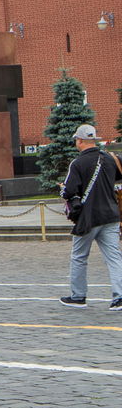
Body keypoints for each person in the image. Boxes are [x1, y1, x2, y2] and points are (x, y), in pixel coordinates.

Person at [59, 124, 122, 309]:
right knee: (114, 257)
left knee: (79, 257)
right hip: (110, 214)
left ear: (80, 141)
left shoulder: (78, 163)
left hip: (88, 218)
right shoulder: (109, 159)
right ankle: (119, 297)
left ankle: (78, 296)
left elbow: (69, 191)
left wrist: (63, 190)